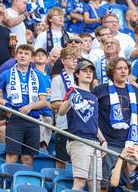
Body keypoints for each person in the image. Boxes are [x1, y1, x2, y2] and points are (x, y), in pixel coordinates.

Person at [0, 44, 47, 166]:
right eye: (20, 53)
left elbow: (43, 101)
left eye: (26, 54)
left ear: (32, 59)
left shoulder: (39, 76)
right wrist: (6, 104)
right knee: (12, 156)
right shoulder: (6, 74)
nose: (23, 56)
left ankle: (27, 183)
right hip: (15, 118)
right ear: (16, 56)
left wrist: (30, 106)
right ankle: (7, 185)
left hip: (33, 120)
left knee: (28, 158)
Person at [93, 57, 138, 191]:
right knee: (104, 184)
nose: (123, 71)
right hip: (108, 144)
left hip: (128, 144)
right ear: (112, 71)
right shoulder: (101, 89)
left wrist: (136, 138)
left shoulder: (134, 90)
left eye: (125, 68)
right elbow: (92, 114)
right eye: (119, 68)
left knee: (126, 184)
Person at [58, 60, 106, 191]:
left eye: (91, 71)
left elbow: (93, 123)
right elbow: (61, 112)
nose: (88, 74)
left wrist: (103, 140)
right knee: (80, 181)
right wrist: (70, 99)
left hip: (94, 142)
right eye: (85, 71)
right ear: (77, 74)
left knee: (96, 185)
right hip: (79, 140)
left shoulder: (94, 97)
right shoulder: (73, 91)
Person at [50, 47, 78, 168]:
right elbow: (54, 104)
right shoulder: (57, 79)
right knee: (61, 158)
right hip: (64, 124)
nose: (74, 61)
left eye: (76, 58)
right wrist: (73, 103)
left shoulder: (80, 77)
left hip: (79, 124)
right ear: (62, 61)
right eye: (71, 58)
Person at [33, 48, 53, 149]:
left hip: (48, 110)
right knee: (37, 138)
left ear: (47, 58)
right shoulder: (32, 73)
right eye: (37, 54)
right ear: (33, 59)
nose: (40, 56)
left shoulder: (49, 77)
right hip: (38, 109)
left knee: (45, 140)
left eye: (43, 55)